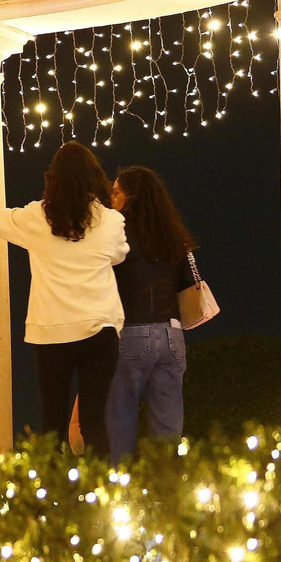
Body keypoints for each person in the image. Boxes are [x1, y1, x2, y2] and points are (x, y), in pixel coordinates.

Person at [0, 141, 128, 457]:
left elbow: (1, 219)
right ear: (94, 177)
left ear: (53, 178)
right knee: (94, 421)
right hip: (100, 329)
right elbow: (119, 255)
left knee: (51, 423)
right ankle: (101, 495)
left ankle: (51, 498)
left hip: (51, 332)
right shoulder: (111, 221)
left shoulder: (36, 217)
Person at [106, 165, 196, 459]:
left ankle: (119, 491)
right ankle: (165, 494)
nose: (112, 198)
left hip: (131, 331)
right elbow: (186, 282)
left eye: (117, 192)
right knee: (168, 428)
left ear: (131, 196)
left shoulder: (118, 231)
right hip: (172, 336)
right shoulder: (173, 233)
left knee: (120, 418)